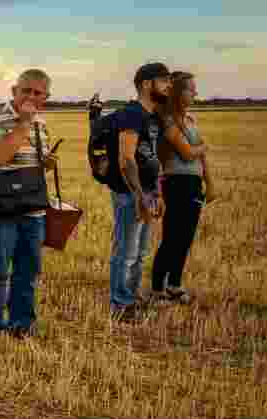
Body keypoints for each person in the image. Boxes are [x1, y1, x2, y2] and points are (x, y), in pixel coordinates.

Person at [0, 69, 59, 339]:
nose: (31, 97)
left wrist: (45, 162)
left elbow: (28, 167)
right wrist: (23, 124)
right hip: (1, 209)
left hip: (32, 210)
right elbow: (0, 157)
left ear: (45, 97)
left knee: (28, 271)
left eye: (38, 93)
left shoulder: (41, 124)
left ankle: (22, 325)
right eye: (26, 91)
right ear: (14, 91)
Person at [107, 62, 170, 322]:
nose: (168, 86)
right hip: (129, 193)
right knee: (126, 251)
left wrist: (158, 193)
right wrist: (138, 196)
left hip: (149, 192)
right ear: (146, 84)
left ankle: (131, 297)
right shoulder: (131, 114)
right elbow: (126, 159)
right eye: (164, 80)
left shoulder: (153, 116)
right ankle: (120, 304)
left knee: (141, 251)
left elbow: (153, 158)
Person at [152, 71, 212, 303]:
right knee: (171, 237)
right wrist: (202, 147)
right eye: (190, 89)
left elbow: (196, 154)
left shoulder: (190, 120)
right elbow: (187, 153)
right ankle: (158, 288)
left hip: (194, 182)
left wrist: (210, 181)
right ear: (178, 93)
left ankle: (175, 284)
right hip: (176, 183)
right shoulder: (167, 120)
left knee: (186, 237)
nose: (195, 92)